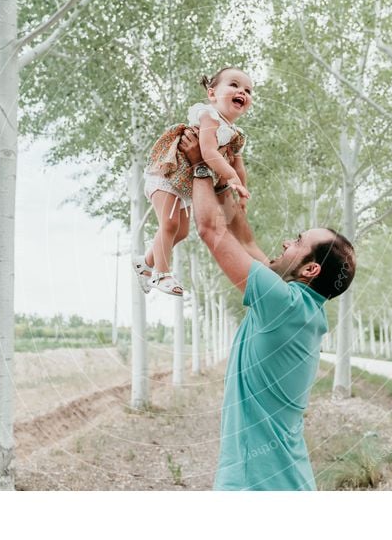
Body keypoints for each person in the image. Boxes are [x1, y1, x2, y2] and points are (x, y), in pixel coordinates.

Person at [178, 129, 356, 491]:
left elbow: (212, 230)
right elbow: (244, 239)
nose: (287, 241)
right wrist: (224, 171)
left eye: (299, 241)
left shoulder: (284, 305)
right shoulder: (300, 306)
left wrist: (198, 166)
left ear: (310, 269)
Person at [132, 67, 254, 297]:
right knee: (169, 225)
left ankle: (144, 263)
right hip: (168, 175)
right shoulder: (209, 116)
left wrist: (241, 190)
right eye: (234, 85)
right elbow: (207, 152)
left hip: (186, 187)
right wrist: (232, 177)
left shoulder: (236, 134)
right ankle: (161, 273)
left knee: (180, 232)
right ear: (212, 94)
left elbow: (238, 165)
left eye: (248, 90)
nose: (242, 92)